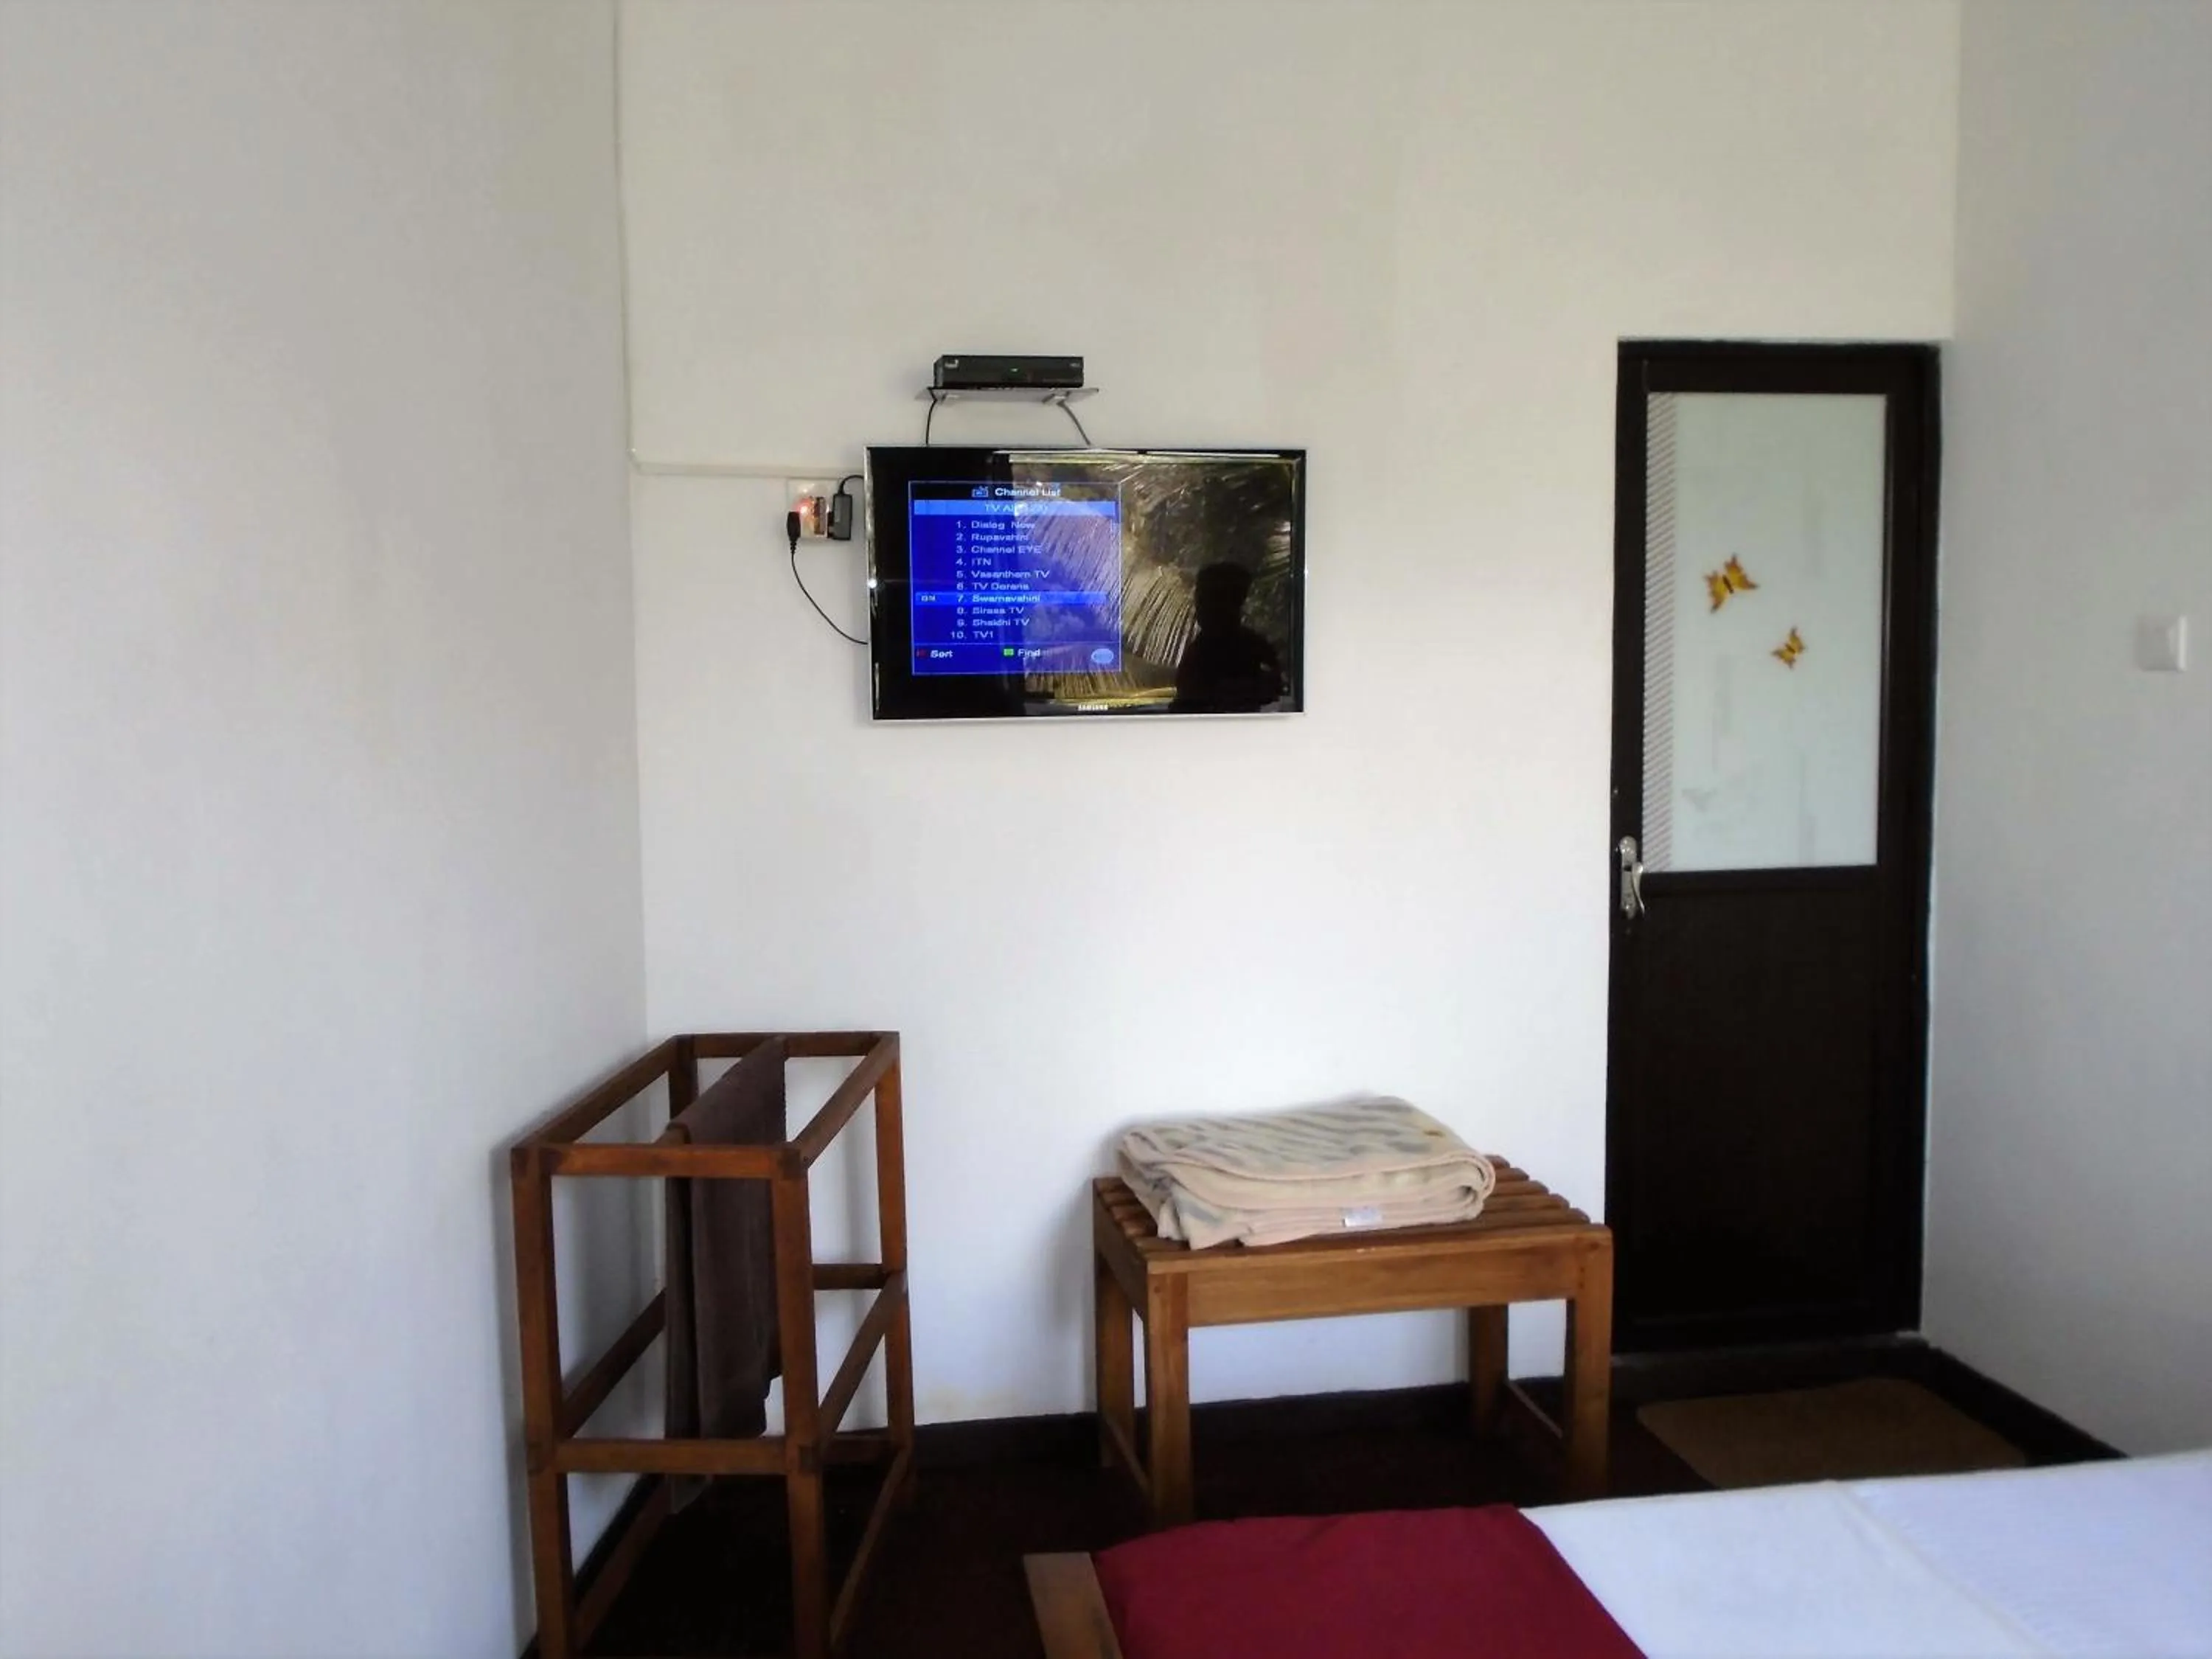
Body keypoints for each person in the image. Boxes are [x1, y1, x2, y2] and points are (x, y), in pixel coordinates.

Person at [1172, 562, 1283, 713]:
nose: (1197, 605)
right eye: (1200, 597)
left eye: (1205, 598)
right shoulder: (1255, 646)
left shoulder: (1252, 649)